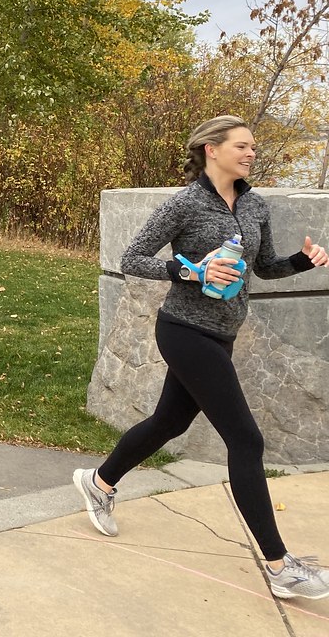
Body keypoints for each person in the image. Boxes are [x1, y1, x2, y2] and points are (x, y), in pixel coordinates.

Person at [74, 115, 329, 600]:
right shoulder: (185, 203)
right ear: (211, 149)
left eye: (254, 146)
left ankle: (100, 481)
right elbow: (134, 259)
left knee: (169, 421)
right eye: (242, 145)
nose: (251, 153)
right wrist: (190, 271)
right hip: (184, 330)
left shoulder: (254, 205)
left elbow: (266, 268)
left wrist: (303, 262)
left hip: (223, 334)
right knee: (246, 440)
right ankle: (280, 566)